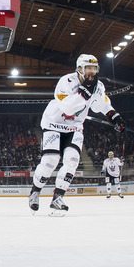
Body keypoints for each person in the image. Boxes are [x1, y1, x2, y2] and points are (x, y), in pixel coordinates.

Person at [29, 53, 124, 216]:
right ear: (79, 69)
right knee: (50, 161)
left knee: (72, 161)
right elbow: (67, 107)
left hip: (74, 127)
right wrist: (84, 93)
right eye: (88, 68)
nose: (91, 72)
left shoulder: (98, 86)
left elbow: (101, 104)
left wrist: (113, 115)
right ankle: (35, 191)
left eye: (94, 68)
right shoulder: (66, 82)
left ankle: (58, 198)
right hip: (53, 123)